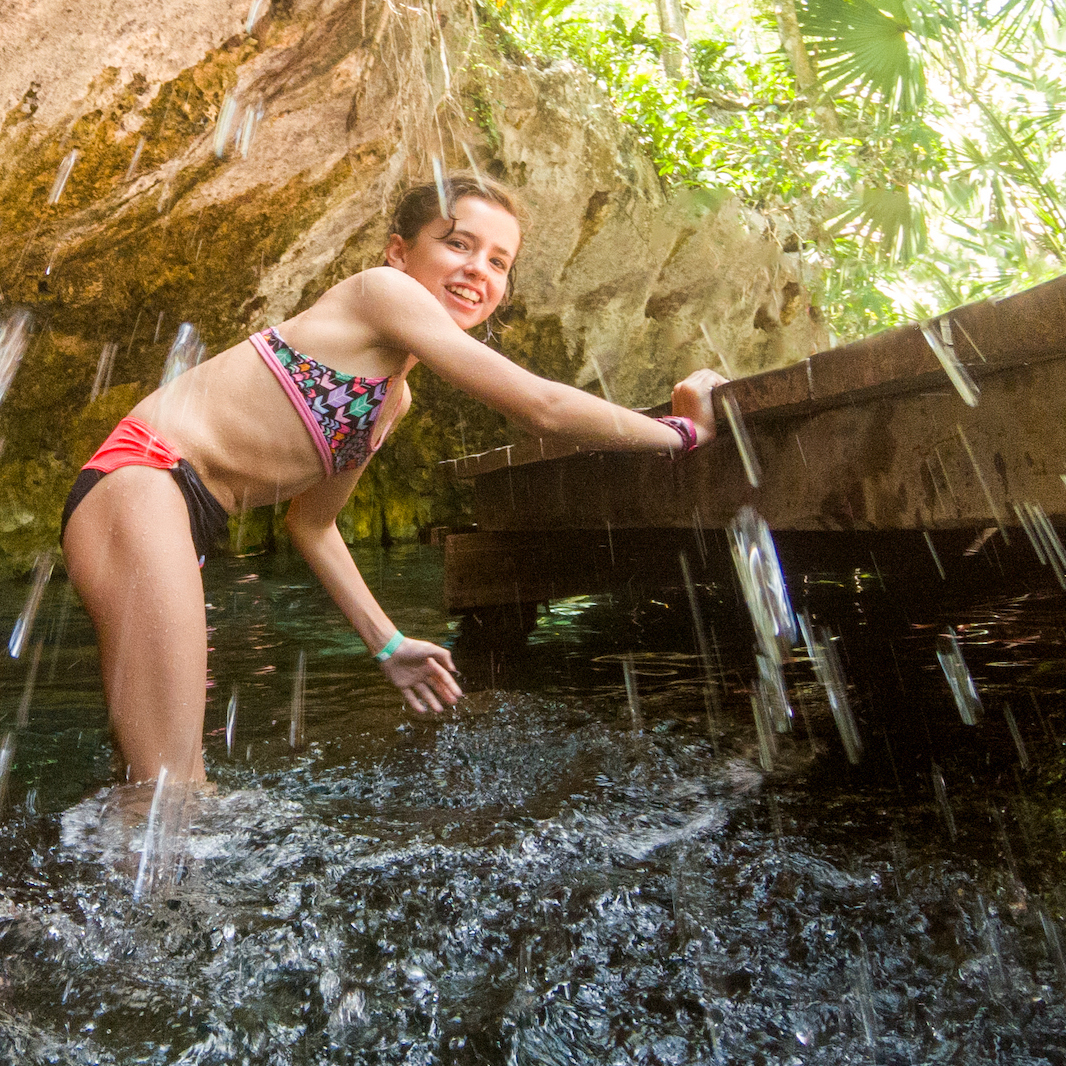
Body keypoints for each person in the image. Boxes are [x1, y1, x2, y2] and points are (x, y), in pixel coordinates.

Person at [61, 175, 725, 785]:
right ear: (399, 253)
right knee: (171, 789)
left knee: (158, 783)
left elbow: (311, 525)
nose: (477, 270)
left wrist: (388, 642)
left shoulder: (390, 401)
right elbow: (540, 407)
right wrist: (681, 434)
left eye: (498, 262)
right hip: (144, 479)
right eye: (458, 243)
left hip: (174, 508)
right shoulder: (380, 293)